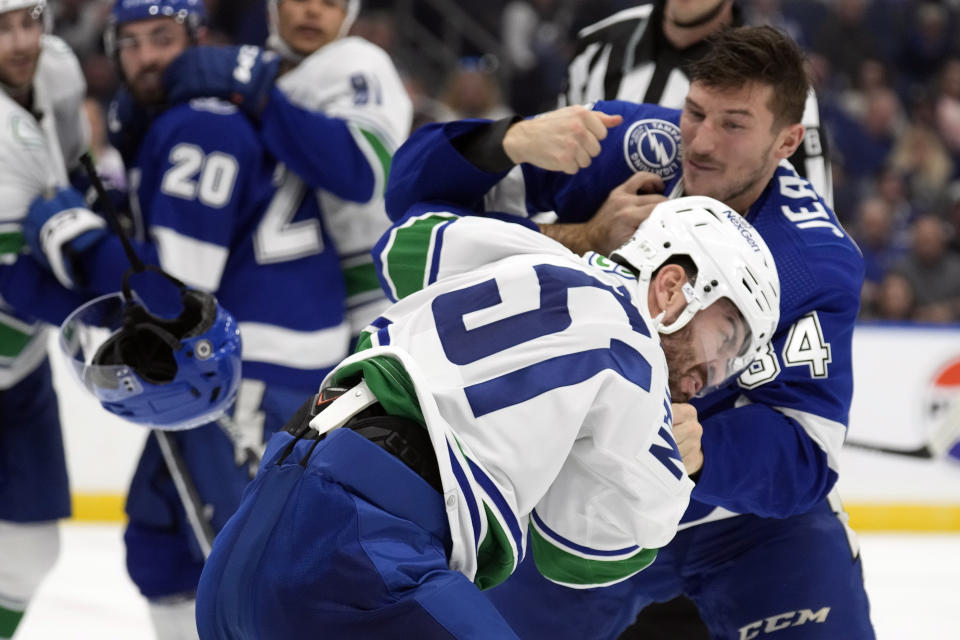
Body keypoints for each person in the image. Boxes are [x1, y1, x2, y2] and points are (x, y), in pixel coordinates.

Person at [385, 25, 872, 640]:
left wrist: (707, 454)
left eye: (734, 124)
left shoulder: (815, 260)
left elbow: (807, 450)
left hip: (742, 525)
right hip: (589, 495)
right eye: (694, 112)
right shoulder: (632, 146)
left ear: (787, 142)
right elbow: (409, 204)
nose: (699, 142)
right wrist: (508, 143)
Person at [193, 194, 781, 639]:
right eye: (724, 338)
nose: (712, 374)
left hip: (257, 522)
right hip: (359, 551)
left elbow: (403, 250)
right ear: (674, 288)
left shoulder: (535, 253)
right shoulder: (637, 360)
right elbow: (575, 558)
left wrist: (576, 239)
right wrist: (677, 469)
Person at [22, 1, 406, 638]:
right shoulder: (215, 104)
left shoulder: (202, 121)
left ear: (199, 44)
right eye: (134, 42)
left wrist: (79, 239)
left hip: (247, 369)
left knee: (253, 580)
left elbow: (174, 297)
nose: (148, 57)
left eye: (163, 39)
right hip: (228, 364)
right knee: (161, 542)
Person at [161, 0, 412, 337]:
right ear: (272, 10)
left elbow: (361, 170)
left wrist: (258, 94)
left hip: (377, 295)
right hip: (299, 296)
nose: (313, 11)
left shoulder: (357, 60)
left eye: (330, 3)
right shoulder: (255, 73)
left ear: (347, 17)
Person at [0, 1, 91, 636]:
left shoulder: (57, 72)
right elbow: (15, 276)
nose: (21, 42)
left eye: (29, 21)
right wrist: (104, 311)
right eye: (1, 28)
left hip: (20, 365)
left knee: (31, 553)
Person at [562, 0, 833, 208]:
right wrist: (589, 233)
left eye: (733, 124)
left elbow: (814, 218)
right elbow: (552, 174)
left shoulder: (778, 80)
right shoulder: (599, 44)